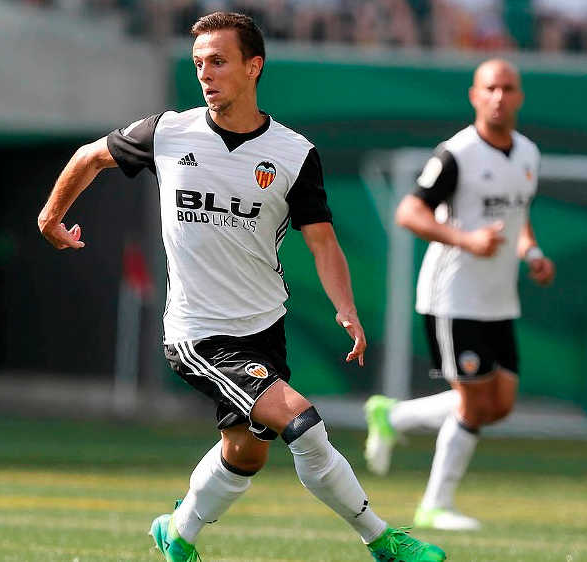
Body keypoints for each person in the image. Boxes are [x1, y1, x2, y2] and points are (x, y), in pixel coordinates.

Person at [37, 11, 446, 562]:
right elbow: (89, 157)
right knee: (302, 422)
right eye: (198, 64)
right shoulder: (168, 132)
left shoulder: (293, 153)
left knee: (245, 452)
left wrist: (345, 307)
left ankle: (178, 532)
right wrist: (50, 217)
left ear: (254, 67)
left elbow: (322, 241)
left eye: (219, 62)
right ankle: (383, 541)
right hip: (200, 335)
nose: (206, 75)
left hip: (264, 326)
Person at [364, 59, 555, 532]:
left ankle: (393, 416)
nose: (498, 96)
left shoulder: (528, 153)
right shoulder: (456, 154)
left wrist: (531, 252)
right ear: (474, 95)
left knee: (499, 405)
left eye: (507, 88)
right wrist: (466, 240)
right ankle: (435, 505)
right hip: (452, 296)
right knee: (471, 404)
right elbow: (409, 212)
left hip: (498, 298)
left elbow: (519, 219)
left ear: (520, 97)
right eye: (490, 88)